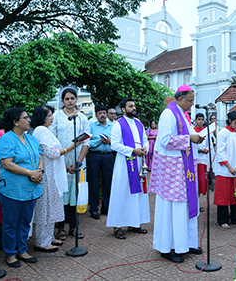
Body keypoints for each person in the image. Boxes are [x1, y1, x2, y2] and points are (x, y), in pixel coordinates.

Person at [150, 85, 204, 263]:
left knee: (186, 205)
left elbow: (186, 136)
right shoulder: (168, 113)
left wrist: (196, 137)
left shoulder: (183, 114)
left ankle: (187, 243)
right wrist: (189, 138)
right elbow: (164, 140)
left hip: (184, 167)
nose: (192, 104)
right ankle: (169, 247)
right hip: (171, 169)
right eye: (190, 100)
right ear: (180, 99)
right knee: (173, 208)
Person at [0, 108, 43, 268]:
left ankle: (22, 250)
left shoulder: (31, 138)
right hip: (13, 189)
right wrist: (30, 172)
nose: (29, 120)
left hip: (31, 187)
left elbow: (40, 155)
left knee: (25, 221)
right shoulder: (6, 139)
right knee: (10, 222)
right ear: (16, 121)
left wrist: (39, 172)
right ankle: (10, 253)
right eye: (25, 117)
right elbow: (6, 163)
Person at [32, 105, 82, 252]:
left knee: (51, 208)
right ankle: (41, 241)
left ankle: (48, 237)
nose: (52, 118)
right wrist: (71, 147)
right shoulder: (40, 130)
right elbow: (51, 153)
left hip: (53, 174)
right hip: (47, 176)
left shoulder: (46, 130)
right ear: (41, 117)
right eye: (48, 115)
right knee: (45, 209)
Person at [106, 98, 150, 239]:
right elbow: (114, 145)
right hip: (124, 163)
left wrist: (145, 149)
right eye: (130, 106)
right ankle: (118, 226)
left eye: (134, 106)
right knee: (122, 192)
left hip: (138, 161)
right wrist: (132, 151)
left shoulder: (139, 123)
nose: (134, 108)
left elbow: (145, 140)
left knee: (136, 193)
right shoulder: (118, 125)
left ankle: (134, 223)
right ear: (123, 109)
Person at [50, 88, 90, 240]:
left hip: (78, 161)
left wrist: (78, 162)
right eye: (67, 99)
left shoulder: (81, 118)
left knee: (75, 194)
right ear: (63, 100)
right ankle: (60, 228)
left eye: (72, 98)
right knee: (61, 195)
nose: (70, 101)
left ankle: (74, 227)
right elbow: (52, 141)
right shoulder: (56, 116)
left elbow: (87, 141)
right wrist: (63, 163)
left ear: (76, 99)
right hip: (60, 160)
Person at [87, 105, 114, 219]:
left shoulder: (112, 126)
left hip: (108, 156)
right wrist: (100, 141)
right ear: (96, 115)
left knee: (108, 182)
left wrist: (110, 141)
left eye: (104, 113)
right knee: (94, 182)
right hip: (95, 155)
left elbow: (117, 141)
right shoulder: (91, 126)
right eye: (100, 113)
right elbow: (88, 143)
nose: (102, 115)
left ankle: (106, 207)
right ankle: (93, 208)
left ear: (107, 114)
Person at [193, 113, 209, 197]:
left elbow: (208, 144)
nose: (201, 121)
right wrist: (197, 150)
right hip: (194, 157)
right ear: (195, 120)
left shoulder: (206, 131)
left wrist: (206, 150)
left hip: (202, 159)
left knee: (201, 179)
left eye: (202, 119)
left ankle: (198, 200)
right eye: (199, 119)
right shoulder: (192, 130)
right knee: (194, 179)